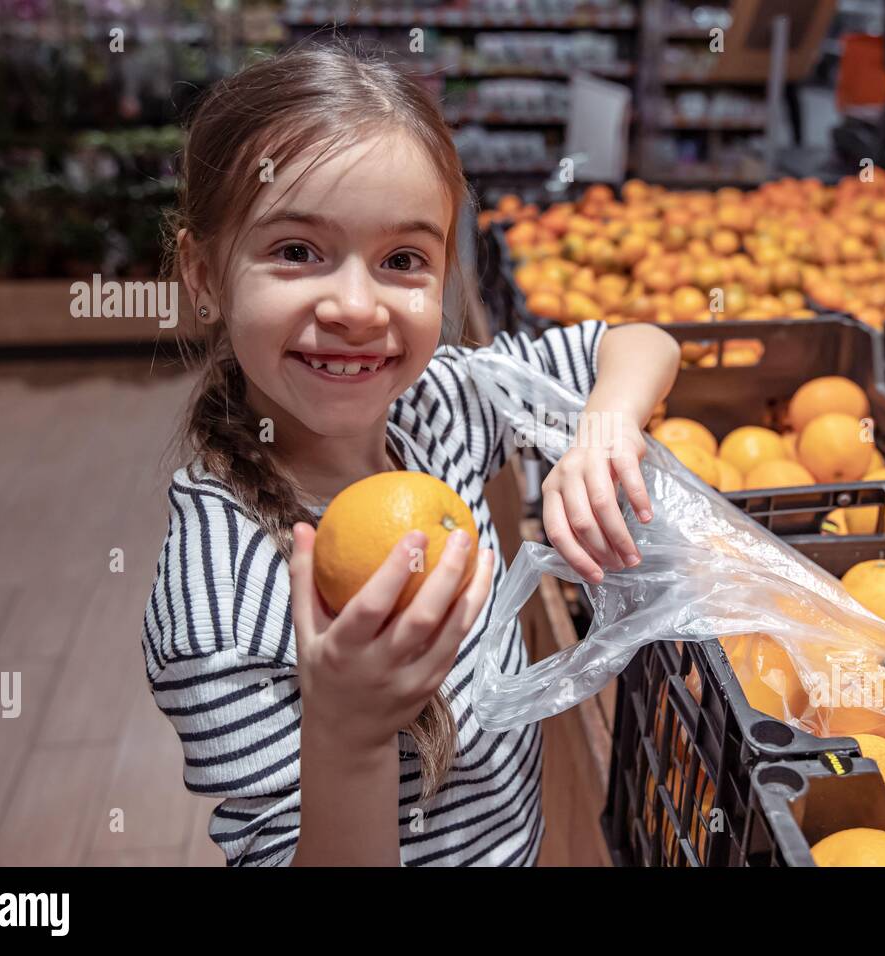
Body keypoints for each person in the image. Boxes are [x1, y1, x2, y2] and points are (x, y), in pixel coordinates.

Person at [141, 39, 680, 866]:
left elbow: (641, 343)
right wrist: (349, 732)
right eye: (297, 252)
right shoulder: (219, 600)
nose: (357, 306)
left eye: (402, 260)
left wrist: (603, 427)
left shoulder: (441, 403)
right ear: (204, 275)